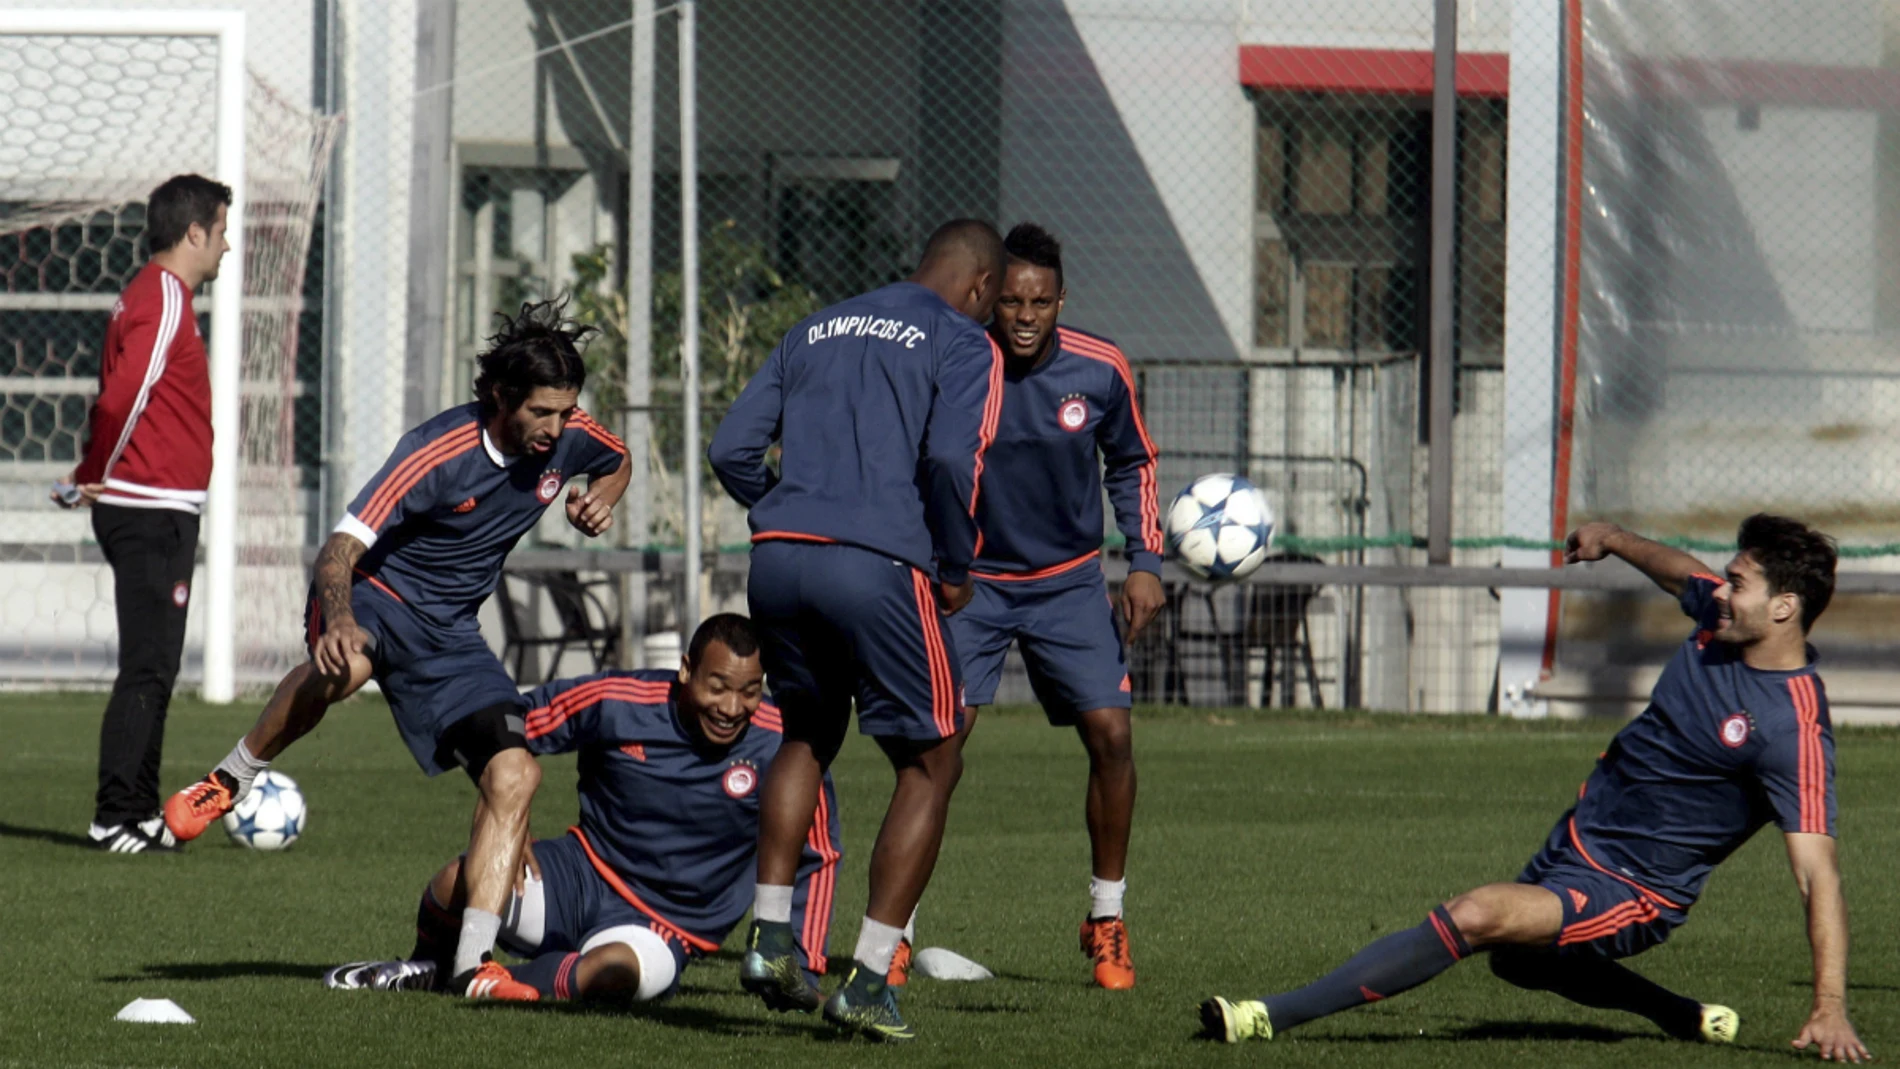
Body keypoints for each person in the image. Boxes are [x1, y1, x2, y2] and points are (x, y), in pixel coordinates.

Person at [1199, 515, 1869, 1063]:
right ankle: (1683, 1014)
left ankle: (1267, 1015)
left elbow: (1818, 877)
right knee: (1520, 965)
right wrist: (1610, 536)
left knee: (1476, 915)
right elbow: (1678, 569)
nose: (1719, 589)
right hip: (1577, 834)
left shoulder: (1793, 728)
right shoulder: (1720, 621)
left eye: (1738, 582)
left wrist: (1830, 1003)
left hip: (1634, 889)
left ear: (1784, 607)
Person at [163, 298, 631, 1000]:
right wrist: (342, 619)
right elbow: (340, 549)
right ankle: (231, 776)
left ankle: (473, 966)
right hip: (376, 599)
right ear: (503, 398)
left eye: (567, 412)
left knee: (517, 776)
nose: (558, 429)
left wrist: (604, 493)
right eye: (543, 413)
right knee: (345, 668)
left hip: (452, 636)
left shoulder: (568, 435)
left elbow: (617, 455)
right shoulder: (435, 450)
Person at [708, 219, 1005, 1041]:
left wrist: (782, 506)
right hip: (877, 563)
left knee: (807, 728)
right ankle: (871, 977)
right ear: (980, 286)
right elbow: (953, 460)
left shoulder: (815, 325)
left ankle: (771, 935)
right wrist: (953, 562)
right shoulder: (961, 340)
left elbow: (730, 445)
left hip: (778, 555)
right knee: (934, 758)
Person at [897, 223, 1163, 990]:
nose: (1023, 314)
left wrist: (1144, 561)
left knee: (1112, 733)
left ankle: (1106, 919)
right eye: (1010, 298)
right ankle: (896, 932)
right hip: (968, 584)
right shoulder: (957, 362)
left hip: (1070, 582)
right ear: (989, 298)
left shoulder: (1100, 367)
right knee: (939, 749)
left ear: (1061, 300)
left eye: (1039, 300)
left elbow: (1133, 461)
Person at [324, 615, 842, 1005]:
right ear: (686, 671)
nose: (733, 708)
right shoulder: (618, 701)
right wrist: (510, 818)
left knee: (613, 974)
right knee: (456, 880)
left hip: (666, 926)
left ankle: (489, 981)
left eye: (750, 692)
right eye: (719, 687)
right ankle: (426, 967)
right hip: (579, 876)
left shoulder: (784, 746)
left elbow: (817, 852)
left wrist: (802, 967)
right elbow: (508, 728)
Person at [54, 174, 231, 854]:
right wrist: (93, 473)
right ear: (193, 233)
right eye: (219, 231)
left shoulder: (155, 295)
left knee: (157, 664)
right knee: (148, 663)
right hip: (147, 505)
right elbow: (122, 395)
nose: (226, 245)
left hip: (157, 503)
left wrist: (88, 474)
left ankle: (136, 811)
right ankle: (115, 814)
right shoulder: (161, 295)